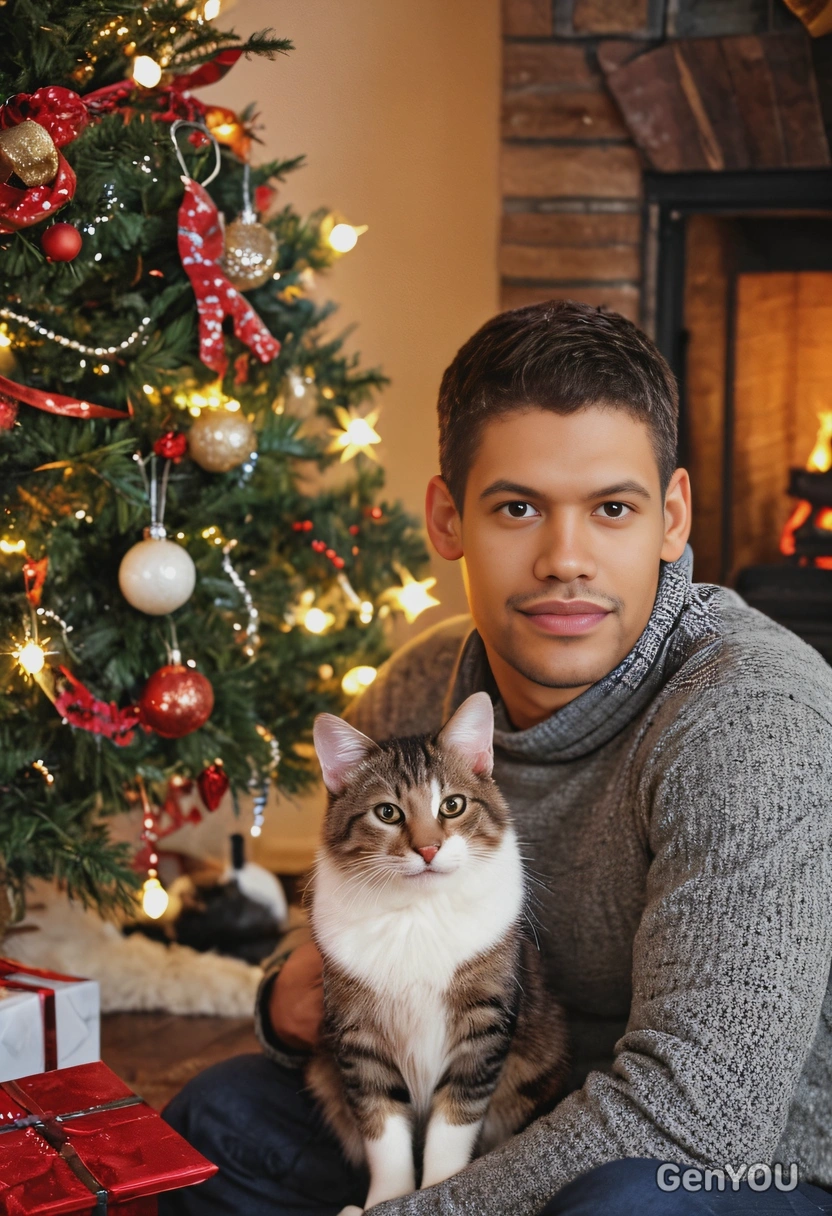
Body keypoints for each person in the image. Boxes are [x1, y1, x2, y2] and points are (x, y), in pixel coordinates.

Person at [160, 301, 832, 1216]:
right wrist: (287, 993)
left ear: (671, 517)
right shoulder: (419, 687)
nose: (566, 560)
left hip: (742, 1166)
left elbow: (704, 1117)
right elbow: (337, 905)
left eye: (612, 509)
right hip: (479, 1112)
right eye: (518, 508)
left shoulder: (752, 716)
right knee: (213, 1125)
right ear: (448, 520)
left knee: (625, 1205)